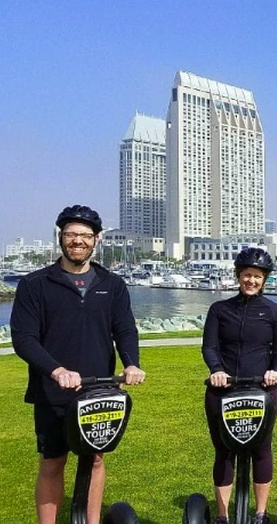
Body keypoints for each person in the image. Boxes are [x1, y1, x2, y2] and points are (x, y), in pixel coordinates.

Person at [11, 204, 146, 524]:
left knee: (96, 459)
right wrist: (56, 370)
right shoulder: (36, 284)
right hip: (53, 392)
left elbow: (125, 329)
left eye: (85, 235)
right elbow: (24, 339)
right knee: (53, 461)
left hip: (100, 390)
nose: (78, 241)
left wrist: (131, 364)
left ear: (96, 240)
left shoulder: (111, 284)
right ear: (61, 237)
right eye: (71, 234)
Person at [202, 247, 277, 524]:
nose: (251, 280)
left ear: (265, 280)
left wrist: (275, 372)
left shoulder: (275, 312)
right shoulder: (220, 310)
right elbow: (210, 347)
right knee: (224, 450)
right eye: (247, 275)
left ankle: (261, 514)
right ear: (238, 276)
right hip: (222, 389)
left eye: (257, 276)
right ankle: (223, 515)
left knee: (261, 450)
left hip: (262, 389)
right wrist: (216, 371)